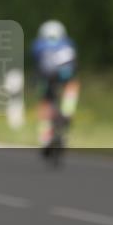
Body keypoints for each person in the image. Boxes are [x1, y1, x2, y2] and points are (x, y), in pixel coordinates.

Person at [31, 20, 80, 151]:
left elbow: (36, 63)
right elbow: (75, 64)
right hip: (65, 76)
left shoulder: (38, 44)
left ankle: (45, 138)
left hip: (47, 77)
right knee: (72, 85)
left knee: (45, 103)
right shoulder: (68, 43)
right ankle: (68, 110)